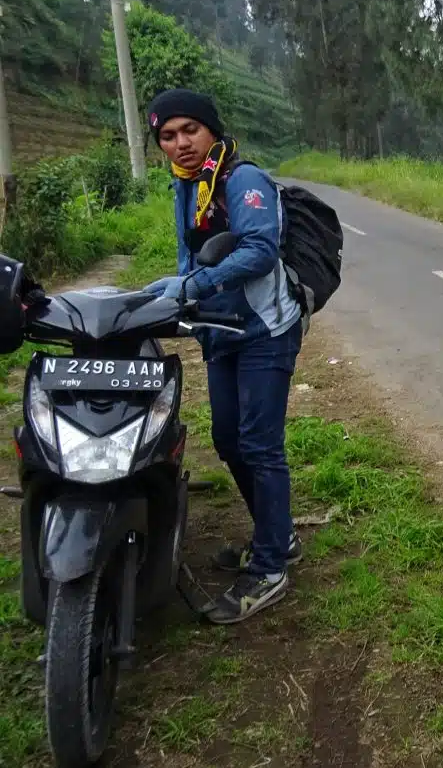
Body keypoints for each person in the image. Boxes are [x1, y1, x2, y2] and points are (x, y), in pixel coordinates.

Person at [143, 88, 305, 625]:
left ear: (211, 129)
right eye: (168, 135)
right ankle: (276, 538)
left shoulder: (243, 179)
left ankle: (269, 568)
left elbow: (259, 252)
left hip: (263, 329)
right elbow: (192, 252)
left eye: (190, 130)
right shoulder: (188, 186)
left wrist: (193, 286)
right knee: (227, 439)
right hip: (220, 330)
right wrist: (181, 289)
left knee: (259, 445)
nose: (181, 143)